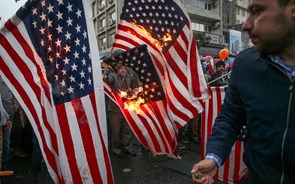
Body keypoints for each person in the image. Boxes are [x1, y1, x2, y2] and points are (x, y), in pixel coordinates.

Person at [191, 0, 295, 183]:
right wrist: (214, 156)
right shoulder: (246, 64)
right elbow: (231, 117)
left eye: (257, 11)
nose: (246, 25)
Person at [105, 63, 136, 157]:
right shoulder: (113, 76)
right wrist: (106, 71)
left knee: (127, 130)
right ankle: (116, 149)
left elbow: (132, 88)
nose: (123, 70)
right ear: (117, 70)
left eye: (124, 68)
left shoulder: (127, 78)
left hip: (126, 109)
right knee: (116, 132)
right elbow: (108, 80)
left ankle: (128, 148)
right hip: (115, 111)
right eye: (121, 68)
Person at [0, 77, 19, 171]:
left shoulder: (7, 76)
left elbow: (15, 92)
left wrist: (14, 108)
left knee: (6, 141)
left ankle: (4, 166)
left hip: (9, 113)